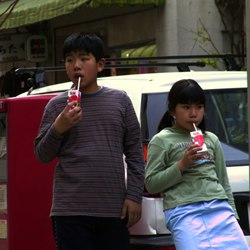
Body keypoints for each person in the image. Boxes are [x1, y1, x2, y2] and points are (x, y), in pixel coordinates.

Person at [34, 32, 145, 250]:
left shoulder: (119, 100)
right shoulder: (57, 106)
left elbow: (134, 153)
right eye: (69, 60)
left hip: (113, 209)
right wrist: (59, 126)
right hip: (70, 211)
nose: (76, 66)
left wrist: (134, 196)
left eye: (84, 58)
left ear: (100, 64)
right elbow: (41, 155)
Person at [145, 79, 249, 250]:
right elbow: (151, 184)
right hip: (183, 212)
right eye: (186, 107)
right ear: (172, 110)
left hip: (219, 208)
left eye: (199, 107)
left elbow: (223, 182)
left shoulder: (211, 139)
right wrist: (181, 165)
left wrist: (234, 217)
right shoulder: (161, 140)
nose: (193, 113)